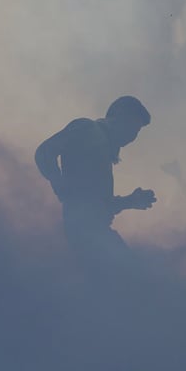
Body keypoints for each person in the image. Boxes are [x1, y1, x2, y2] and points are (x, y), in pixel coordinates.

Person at [35, 96, 156, 263]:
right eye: (132, 128)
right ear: (119, 115)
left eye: (136, 133)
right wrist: (59, 183)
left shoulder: (105, 149)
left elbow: (101, 205)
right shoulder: (87, 128)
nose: (132, 137)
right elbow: (44, 152)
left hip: (95, 232)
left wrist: (131, 201)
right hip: (85, 233)